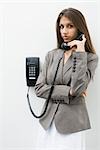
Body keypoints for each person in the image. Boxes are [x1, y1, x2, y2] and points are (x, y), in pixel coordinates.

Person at [34, 8, 98, 150]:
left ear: (80, 29)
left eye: (70, 26)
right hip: (47, 122)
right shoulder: (52, 55)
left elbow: (77, 89)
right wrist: (67, 93)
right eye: (61, 27)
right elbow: (39, 89)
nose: (64, 31)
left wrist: (80, 52)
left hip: (71, 126)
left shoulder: (90, 58)